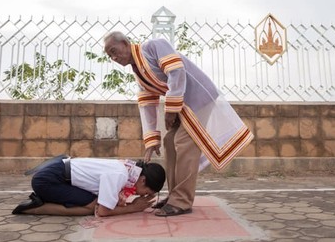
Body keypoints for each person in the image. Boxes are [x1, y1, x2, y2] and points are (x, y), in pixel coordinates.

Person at [103, 32, 254, 217]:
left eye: (114, 51)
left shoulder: (153, 46)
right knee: (169, 141)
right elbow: (147, 104)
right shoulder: (138, 73)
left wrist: (172, 108)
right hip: (182, 105)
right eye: (110, 55)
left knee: (184, 142)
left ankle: (182, 201)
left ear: (125, 43)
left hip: (199, 99)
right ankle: (175, 195)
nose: (114, 57)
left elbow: (176, 71)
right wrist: (152, 141)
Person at [12, 156, 166, 216]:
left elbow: (109, 192)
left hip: (57, 175)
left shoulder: (127, 169)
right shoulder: (120, 175)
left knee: (96, 200)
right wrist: (134, 208)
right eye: (146, 192)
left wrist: (118, 200)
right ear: (143, 180)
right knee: (92, 207)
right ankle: (35, 208)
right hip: (48, 180)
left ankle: (47, 200)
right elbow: (103, 211)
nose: (142, 195)